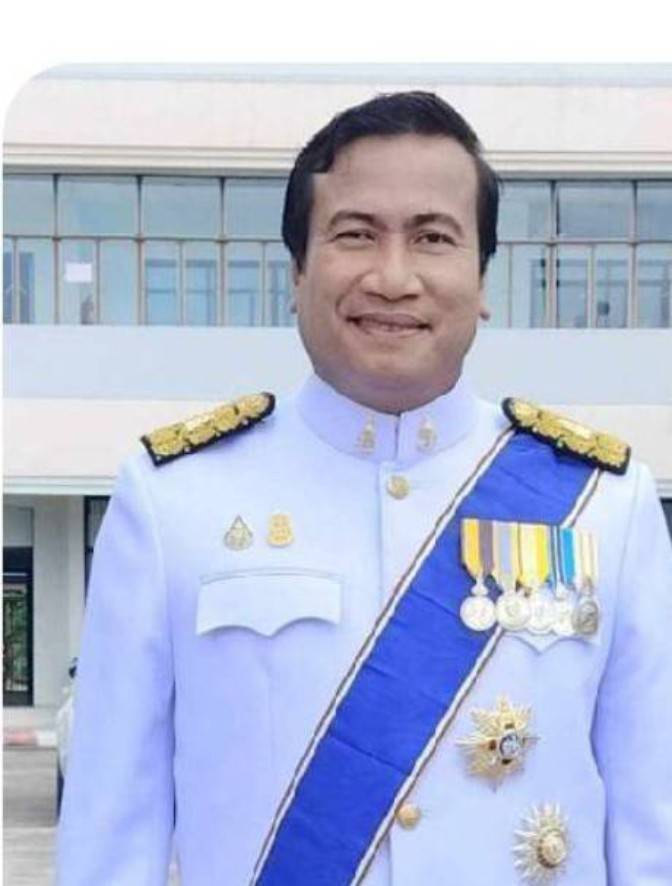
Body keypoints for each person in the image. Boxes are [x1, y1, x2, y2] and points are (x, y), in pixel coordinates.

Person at [56, 92, 672, 885]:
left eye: (433, 237)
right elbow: (111, 835)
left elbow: (653, 826)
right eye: (355, 234)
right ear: (298, 271)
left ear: (481, 277)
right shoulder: (173, 499)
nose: (393, 276)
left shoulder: (606, 505)